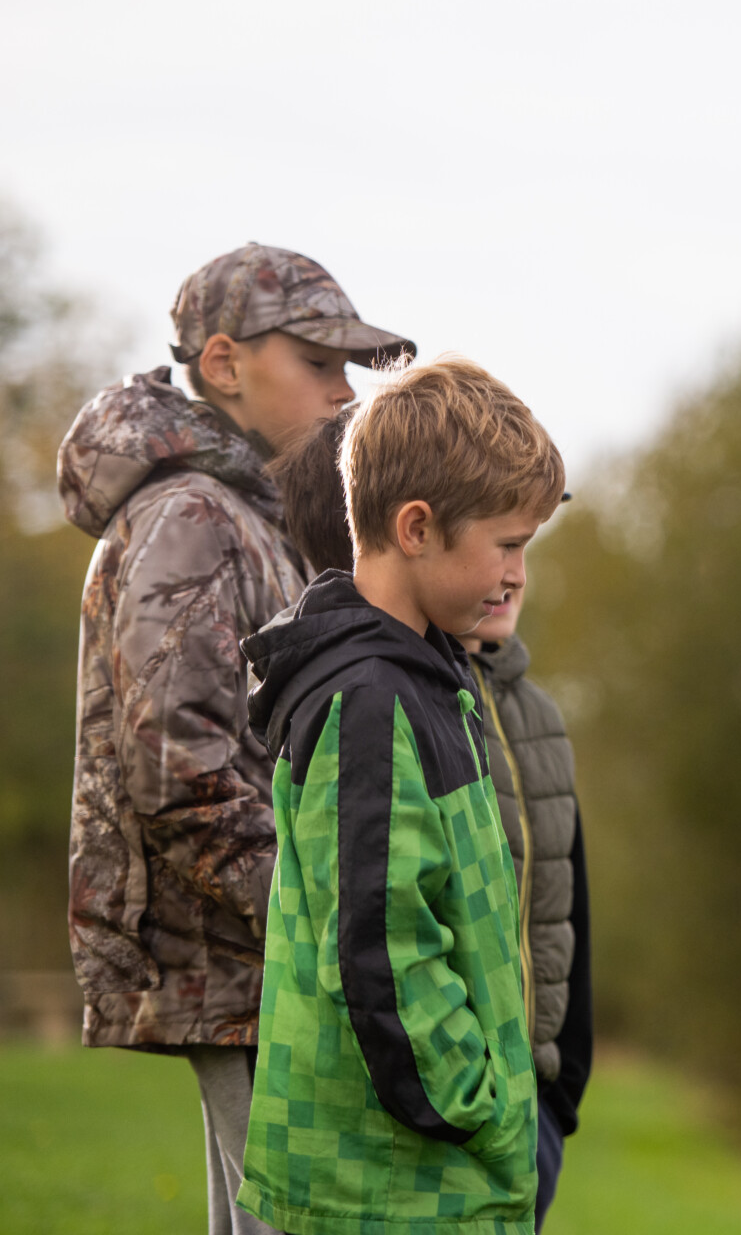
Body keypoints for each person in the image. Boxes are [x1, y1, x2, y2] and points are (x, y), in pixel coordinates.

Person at [56, 243, 411, 1235]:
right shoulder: (192, 517)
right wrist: (318, 924)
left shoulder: (250, 509)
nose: (346, 394)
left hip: (257, 952)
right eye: (320, 363)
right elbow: (178, 764)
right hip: (242, 950)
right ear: (224, 362)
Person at [234, 355, 563, 1234]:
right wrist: (476, 1106)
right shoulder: (370, 703)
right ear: (416, 526)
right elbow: (385, 946)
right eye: (508, 543)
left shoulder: (430, 679)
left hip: (430, 1176)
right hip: (392, 1183)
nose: (516, 574)